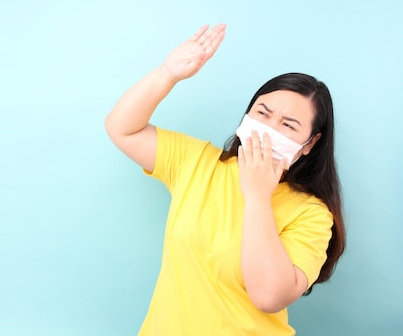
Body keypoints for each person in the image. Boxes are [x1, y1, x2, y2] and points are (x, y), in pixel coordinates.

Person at [104, 23, 346, 335]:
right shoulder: (199, 162)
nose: (268, 128)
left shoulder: (311, 214)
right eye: (263, 112)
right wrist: (168, 73)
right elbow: (121, 128)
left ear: (310, 143)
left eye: (287, 124)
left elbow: (268, 296)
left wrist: (258, 197)